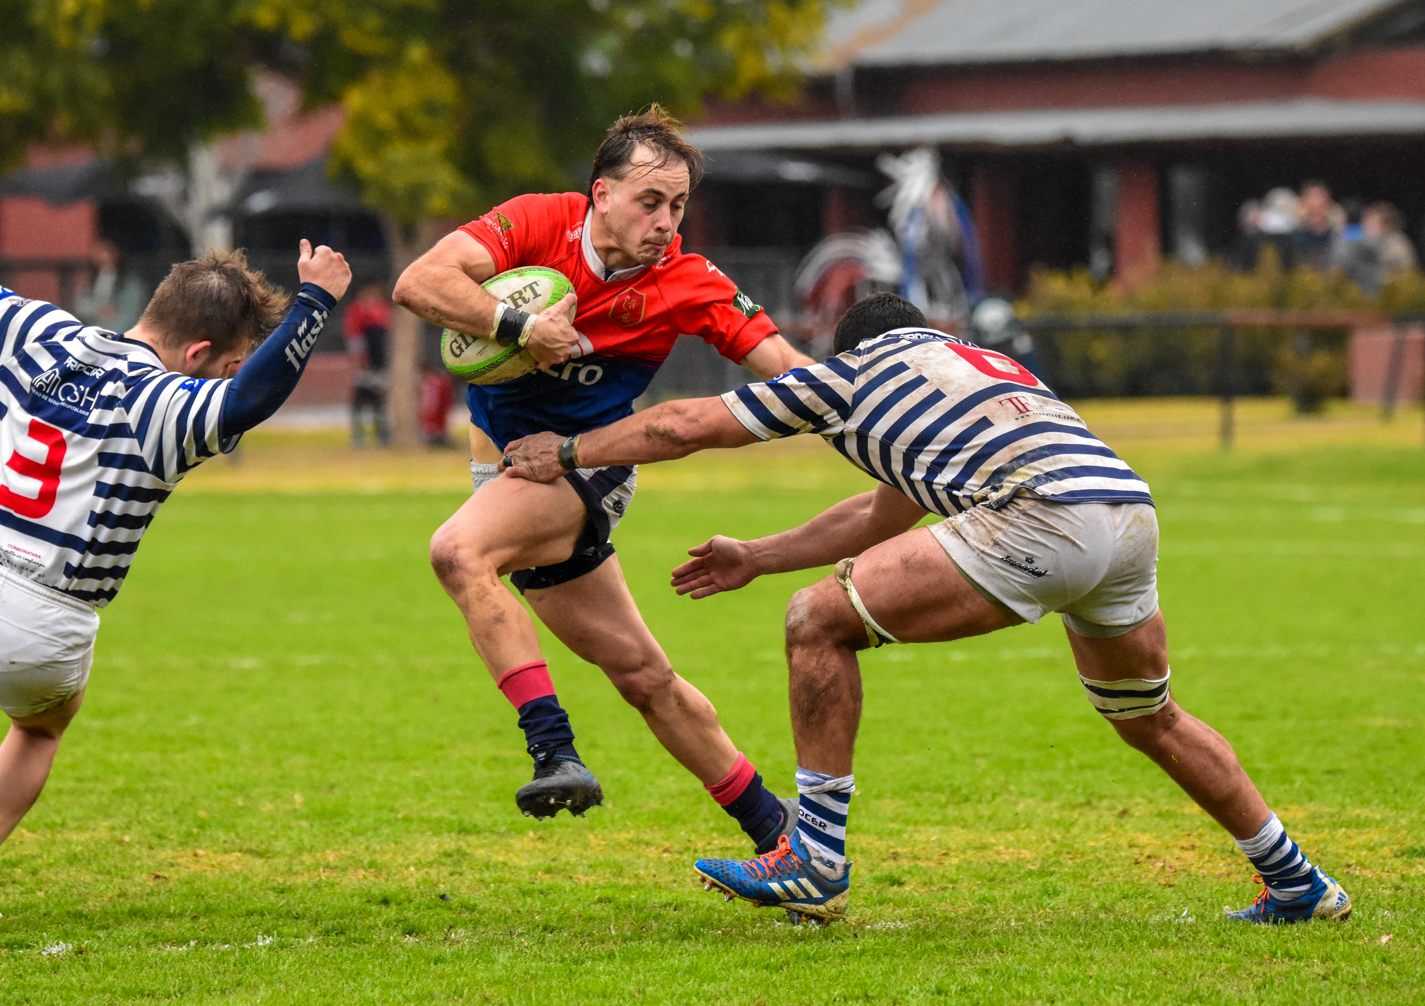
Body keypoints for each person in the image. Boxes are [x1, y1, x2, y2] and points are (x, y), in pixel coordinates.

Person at [501, 292, 1352, 927]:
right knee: (1150, 715)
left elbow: (686, 425)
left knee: (816, 620)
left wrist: (567, 448)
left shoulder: (855, 372)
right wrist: (756, 555)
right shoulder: (985, 368)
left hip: (1042, 511)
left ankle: (815, 857)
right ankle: (1297, 881)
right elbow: (882, 516)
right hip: (1126, 513)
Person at [0, 214, 350, 918]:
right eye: (226, 361)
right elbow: (249, 399)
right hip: (47, 618)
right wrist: (315, 303)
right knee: (42, 726)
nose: (227, 375)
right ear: (197, 353)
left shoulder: (27, 330)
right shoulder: (163, 401)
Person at [392, 106, 814, 852]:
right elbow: (418, 283)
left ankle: (553, 749)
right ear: (601, 195)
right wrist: (520, 328)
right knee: (644, 675)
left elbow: (787, 372)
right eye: (651, 201)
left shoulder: (688, 279)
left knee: (459, 552)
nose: (666, 221)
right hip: (506, 463)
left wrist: (880, 399)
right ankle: (780, 831)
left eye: (678, 205)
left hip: (589, 464)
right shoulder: (534, 224)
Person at [343, 280, 391, 447]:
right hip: (364, 361)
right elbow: (354, 338)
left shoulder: (381, 309)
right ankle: (359, 435)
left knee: (379, 398)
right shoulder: (357, 310)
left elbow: (384, 333)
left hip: (378, 361)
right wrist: (359, 361)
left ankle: (381, 433)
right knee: (359, 397)